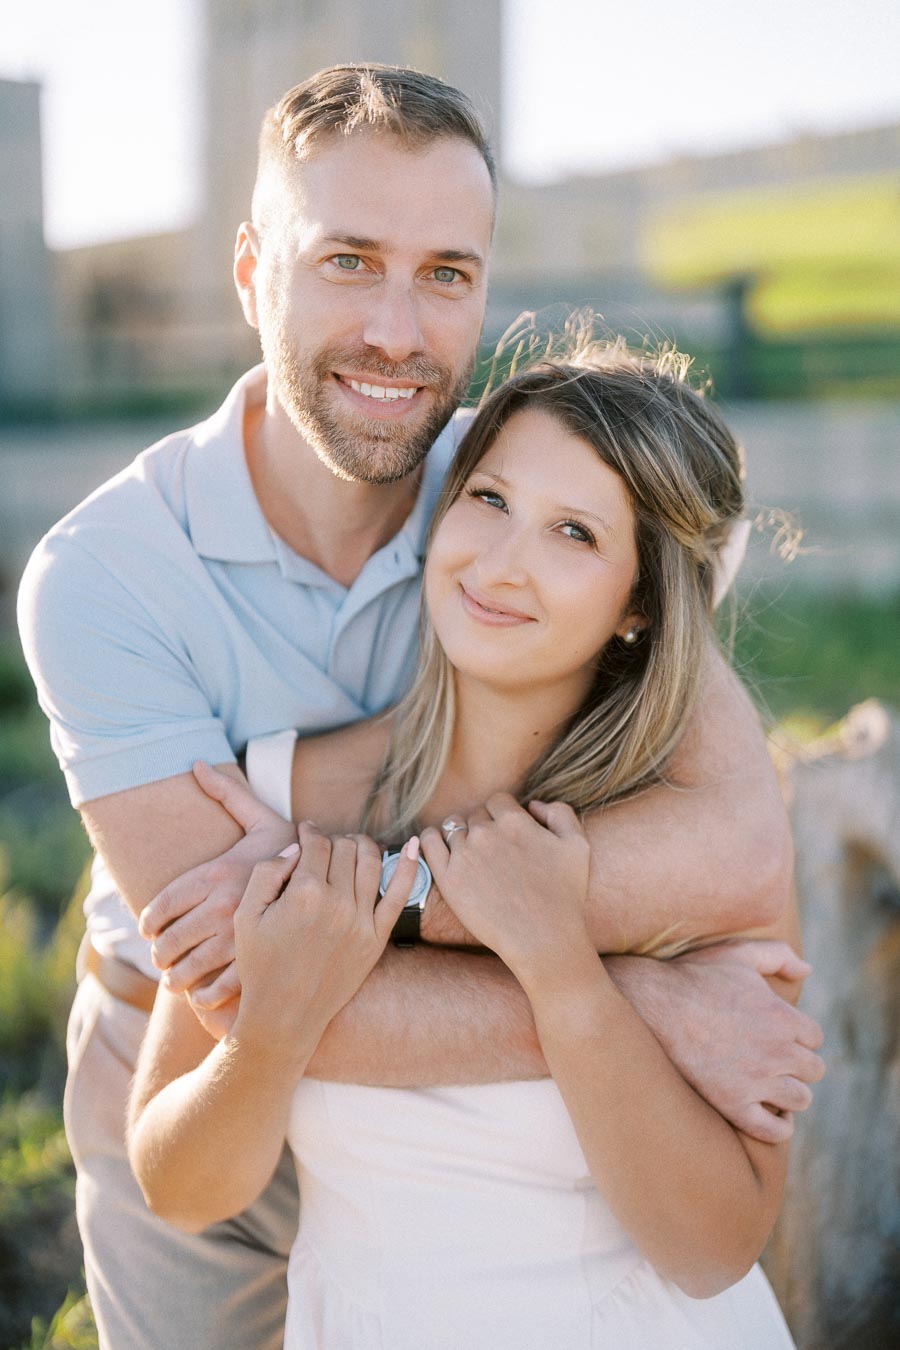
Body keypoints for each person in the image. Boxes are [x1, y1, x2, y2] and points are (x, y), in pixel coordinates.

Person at [17, 65, 820, 1350]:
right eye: (348, 260)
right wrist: (636, 1002)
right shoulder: (102, 577)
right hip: (212, 1055)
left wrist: (357, 905)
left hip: (469, 1078)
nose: (400, 330)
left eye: (447, 271)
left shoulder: (527, 474)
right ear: (250, 272)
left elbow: (732, 849)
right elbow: (231, 976)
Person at [129, 340, 803, 1348]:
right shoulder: (278, 793)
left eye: (573, 532)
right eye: (489, 499)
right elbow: (180, 1188)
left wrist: (567, 972)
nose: (500, 563)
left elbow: (712, 1251)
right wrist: (272, 1032)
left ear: (638, 605)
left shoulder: (687, 851)